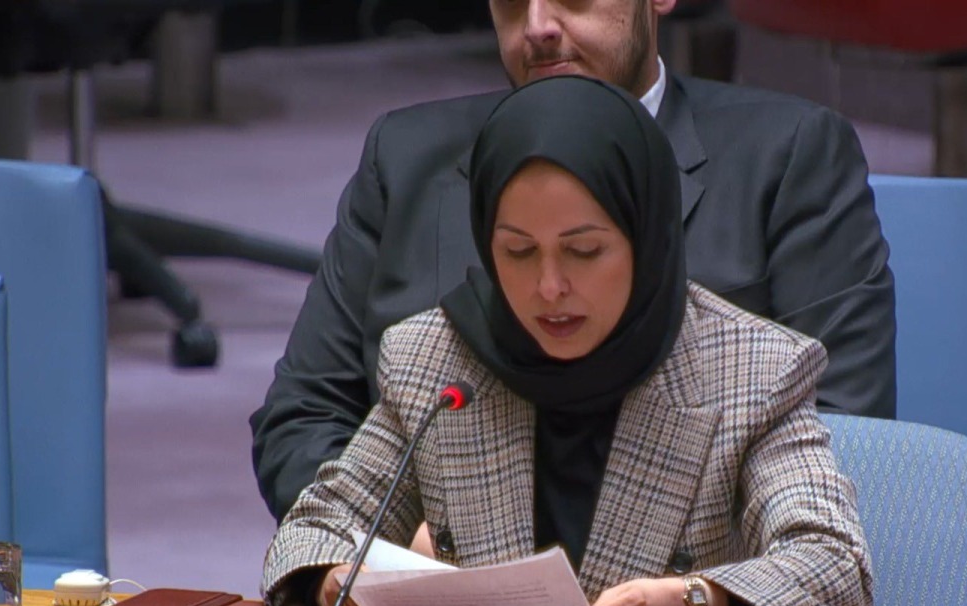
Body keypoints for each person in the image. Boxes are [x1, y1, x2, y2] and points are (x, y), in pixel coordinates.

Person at [261, 76, 872, 606]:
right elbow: (317, 526)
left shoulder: (752, 368)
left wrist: (693, 602)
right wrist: (333, 576)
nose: (549, 287)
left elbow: (833, 561)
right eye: (518, 252)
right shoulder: (435, 358)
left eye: (584, 251)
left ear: (647, 236)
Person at [250, 0, 896, 523]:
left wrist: (694, 586)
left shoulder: (789, 157)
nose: (537, 26)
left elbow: (846, 435)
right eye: (510, 2)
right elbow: (303, 415)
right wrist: (395, 543)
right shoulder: (403, 156)